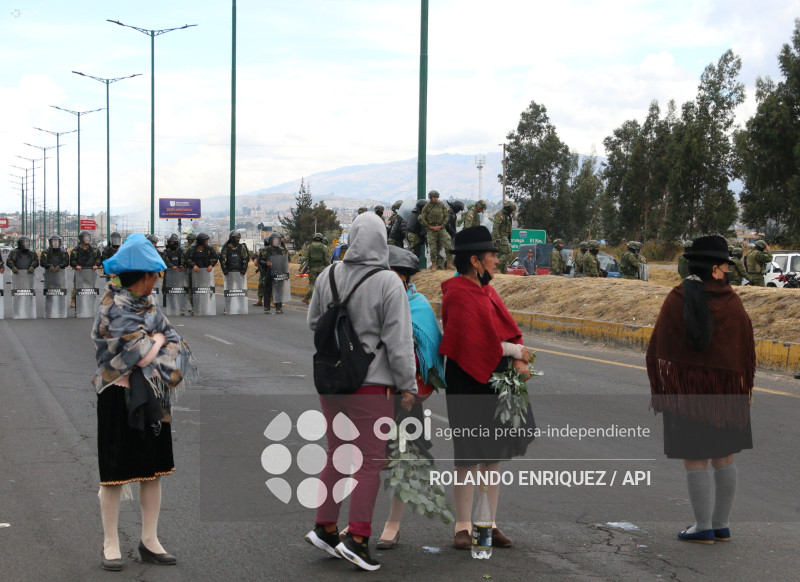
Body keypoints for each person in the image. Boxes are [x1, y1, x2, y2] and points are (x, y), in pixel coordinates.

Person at [304, 212, 417, 572]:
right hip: (371, 385)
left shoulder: (327, 275)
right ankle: (358, 538)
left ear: (352, 238)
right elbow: (399, 341)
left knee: (337, 453)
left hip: (332, 381)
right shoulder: (388, 281)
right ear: (382, 241)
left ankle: (325, 527)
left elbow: (313, 322)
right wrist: (408, 385)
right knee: (370, 461)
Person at [91, 233, 197, 571]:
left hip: (152, 392)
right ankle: (110, 543)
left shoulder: (150, 304)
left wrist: (156, 341)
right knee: (114, 474)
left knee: (153, 470)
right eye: (155, 274)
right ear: (143, 275)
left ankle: (150, 540)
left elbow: (176, 341)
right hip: (117, 394)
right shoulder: (112, 305)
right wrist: (157, 341)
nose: (157, 280)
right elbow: (138, 355)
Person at [647, 235, 754, 545]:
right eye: (725, 265)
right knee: (724, 457)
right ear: (714, 268)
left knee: (696, 459)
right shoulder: (731, 301)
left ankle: (703, 527)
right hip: (726, 395)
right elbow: (744, 348)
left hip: (688, 395)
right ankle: (721, 526)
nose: (729, 271)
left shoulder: (677, 298)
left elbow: (659, 347)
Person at [439, 225, 534, 550]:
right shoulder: (457, 291)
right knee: (467, 454)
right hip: (466, 379)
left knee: (492, 455)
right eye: (492, 255)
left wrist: (519, 357)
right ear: (475, 260)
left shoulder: (487, 291)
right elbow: (475, 342)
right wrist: (515, 351)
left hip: (494, 378)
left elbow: (507, 329)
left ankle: (488, 523)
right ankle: (463, 527)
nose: (496, 260)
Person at [370, 245, 444, 550]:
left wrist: (413, 387)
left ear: (406, 279)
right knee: (368, 460)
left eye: (399, 277)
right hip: (372, 393)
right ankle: (359, 522)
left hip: (405, 399)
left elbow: (431, 353)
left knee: (402, 460)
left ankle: (393, 524)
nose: (393, 283)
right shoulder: (368, 303)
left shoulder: (419, 306)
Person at [254, 232, 289, 314]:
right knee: (267, 290)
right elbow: (259, 261)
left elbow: (286, 260)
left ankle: (278, 308)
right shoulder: (265, 250)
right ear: (271, 241)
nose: (276, 242)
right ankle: (267, 308)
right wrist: (266, 263)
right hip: (268, 272)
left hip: (279, 272)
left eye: (277, 240)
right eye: (274, 240)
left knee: (279, 290)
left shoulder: (281, 250)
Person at [419, 190, 450, 270]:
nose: (436, 198)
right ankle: (434, 264)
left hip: (441, 228)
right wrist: (429, 226)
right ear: (430, 198)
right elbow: (422, 218)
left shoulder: (441, 205)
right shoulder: (427, 207)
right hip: (431, 230)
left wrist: (442, 225)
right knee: (433, 248)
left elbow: (446, 216)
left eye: (437, 197)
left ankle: (449, 263)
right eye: (434, 197)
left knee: (448, 243)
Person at [70, 231, 101, 308]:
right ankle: (74, 300)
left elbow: (98, 258)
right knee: (77, 286)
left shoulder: (94, 250)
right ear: (81, 239)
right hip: (80, 271)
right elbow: (72, 260)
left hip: (90, 271)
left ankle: (90, 302)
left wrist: (96, 265)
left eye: (88, 237)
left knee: (90, 287)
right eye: (85, 237)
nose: (87, 239)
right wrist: (76, 265)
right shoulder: (76, 250)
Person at [302, 233, 330, 304]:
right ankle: (315, 299)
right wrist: (329, 267)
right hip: (322, 269)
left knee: (312, 284)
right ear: (321, 239)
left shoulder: (309, 247)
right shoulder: (324, 247)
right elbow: (326, 259)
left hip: (312, 269)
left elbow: (305, 257)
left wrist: (300, 266)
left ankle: (308, 298)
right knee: (322, 284)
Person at [492, 201, 515, 274]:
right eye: (511, 210)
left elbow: (508, 228)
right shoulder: (500, 215)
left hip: (505, 237)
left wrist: (509, 237)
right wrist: (497, 238)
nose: (512, 212)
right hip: (500, 236)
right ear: (508, 208)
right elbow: (495, 227)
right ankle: (495, 267)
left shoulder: (507, 216)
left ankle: (503, 273)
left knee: (503, 255)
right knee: (508, 253)